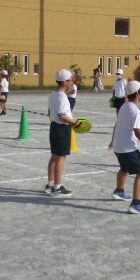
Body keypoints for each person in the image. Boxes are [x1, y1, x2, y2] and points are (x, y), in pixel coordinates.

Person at [108, 80, 140, 214]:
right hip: (127, 147)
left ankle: (119, 191)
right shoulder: (135, 111)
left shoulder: (124, 106)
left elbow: (117, 124)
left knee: (124, 168)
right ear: (137, 93)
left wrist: (112, 141)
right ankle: (136, 204)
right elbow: (138, 133)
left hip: (118, 145)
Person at [46, 69, 77, 197]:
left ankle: (50, 184)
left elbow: (49, 114)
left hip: (53, 127)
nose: (71, 83)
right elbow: (62, 115)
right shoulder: (63, 96)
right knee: (60, 157)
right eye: (70, 80)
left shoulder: (53, 94)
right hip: (62, 129)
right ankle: (57, 187)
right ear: (64, 82)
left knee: (54, 156)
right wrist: (74, 123)